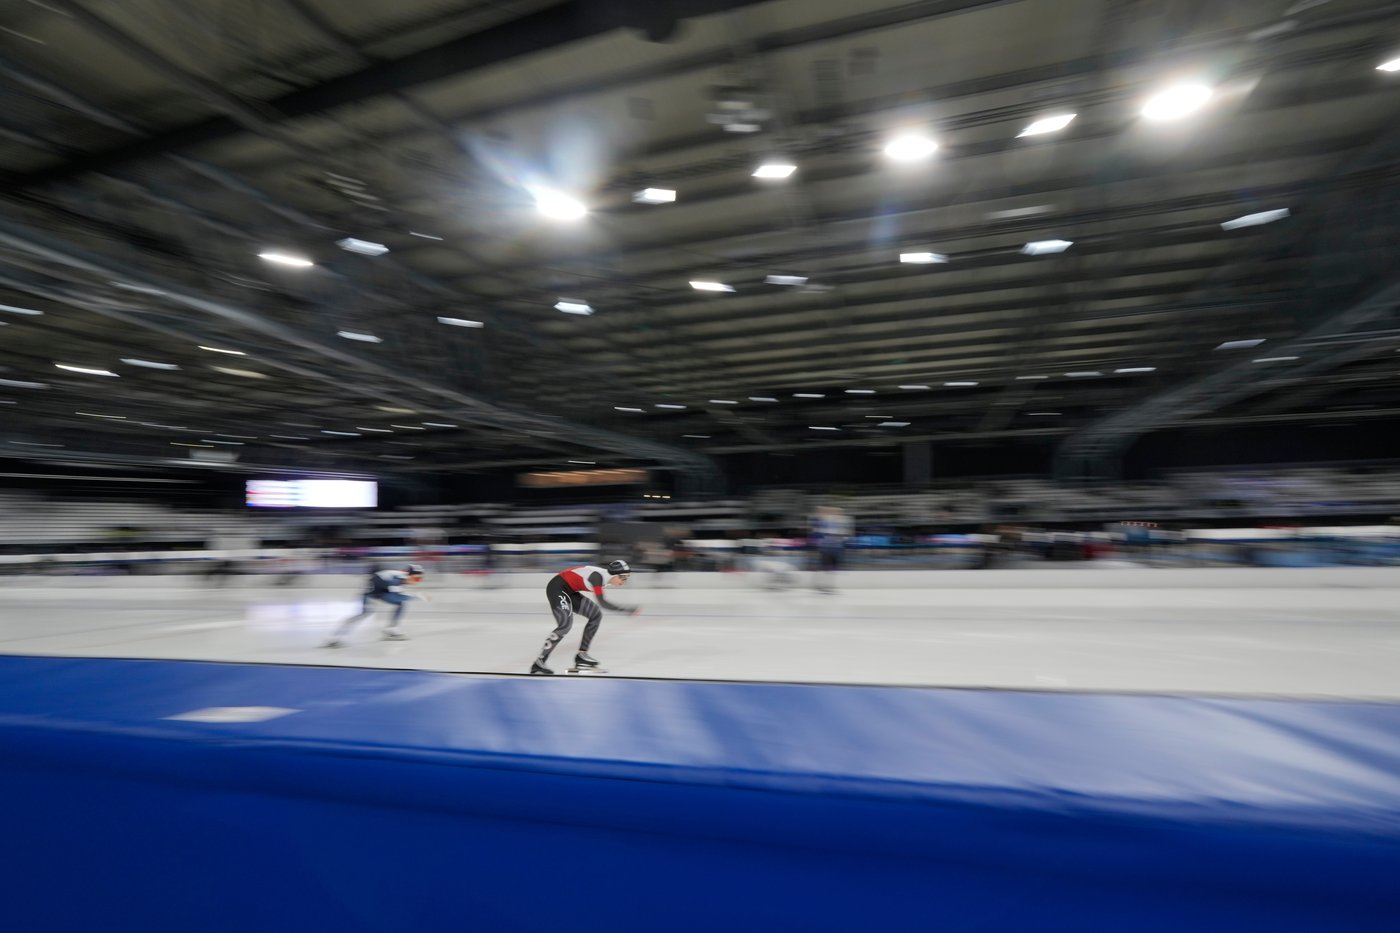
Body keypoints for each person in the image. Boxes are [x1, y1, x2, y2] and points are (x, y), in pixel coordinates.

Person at [530, 560, 638, 675]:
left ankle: (582, 655)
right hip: (557, 587)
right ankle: (539, 662)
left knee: (595, 614)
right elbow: (602, 602)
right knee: (565, 625)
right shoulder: (597, 577)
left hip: (570, 590)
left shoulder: (604, 577)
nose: (624, 581)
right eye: (624, 578)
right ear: (616, 575)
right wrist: (625, 610)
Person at [324, 563, 427, 648]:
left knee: (401, 604)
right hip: (370, 593)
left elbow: (396, 595)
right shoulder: (396, 579)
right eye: (416, 579)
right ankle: (334, 638)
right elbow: (397, 595)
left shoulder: (402, 577)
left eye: (419, 579)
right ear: (409, 575)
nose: (416, 582)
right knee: (364, 613)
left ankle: (391, 630)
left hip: (381, 591)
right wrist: (416, 596)